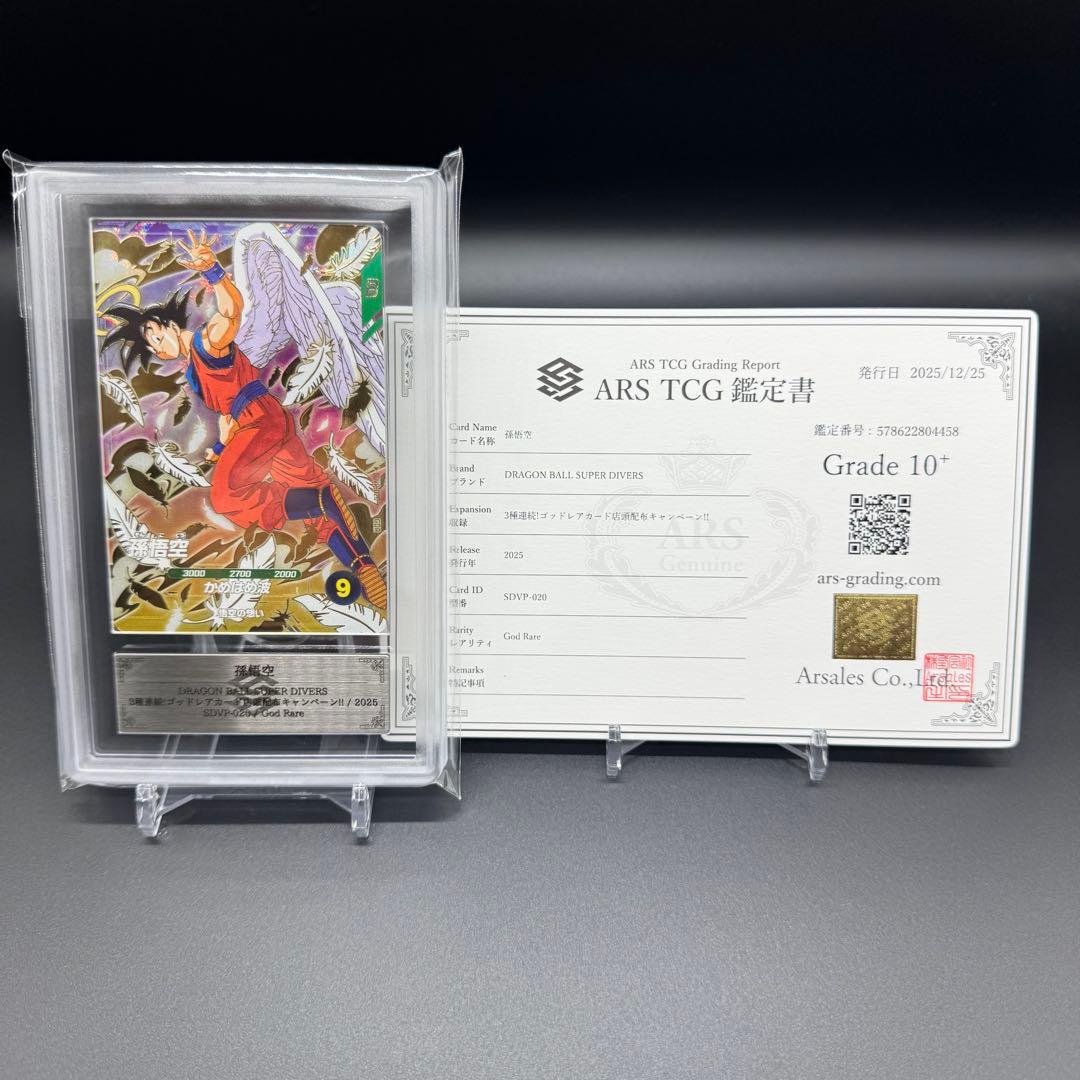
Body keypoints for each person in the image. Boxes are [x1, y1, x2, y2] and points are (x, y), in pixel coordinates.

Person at [104, 229, 386, 611]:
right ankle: (364, 567)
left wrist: (212, 270)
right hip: (266, 422)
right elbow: (228, 412)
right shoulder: (195, 367)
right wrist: (221, 446)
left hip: (260, 423)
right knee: (317, 513)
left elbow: (231, 312)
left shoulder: (207, 341)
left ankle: (320, 500)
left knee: (227, 496)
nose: (158, 346)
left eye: (156, 335)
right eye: (151, 346)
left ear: (169, 324)